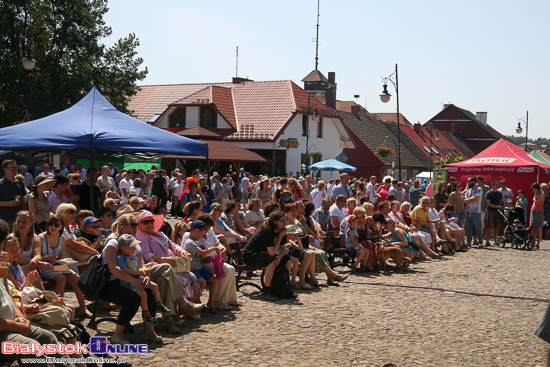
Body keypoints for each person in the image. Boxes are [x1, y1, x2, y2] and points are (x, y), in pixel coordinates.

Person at [37, 216, 92, 317]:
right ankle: (59, 309)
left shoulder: (61, 238)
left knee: (76, 278)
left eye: (56, 225)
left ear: (61, 227)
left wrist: (65, 262)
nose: (53, 227)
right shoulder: (40, 238)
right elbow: (36, 259)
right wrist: (48, 257)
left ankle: (83, 308)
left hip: (57, 266)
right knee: (61, 278)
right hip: (44, 267)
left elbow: (60, 257)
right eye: (51, 224)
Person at [117, 234, 172, 325]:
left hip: (138, 279)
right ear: (123, 248)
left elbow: (136, 268)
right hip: (128, 281)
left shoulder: (133, 257)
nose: (135, 249)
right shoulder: (121, 258)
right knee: (143, 293)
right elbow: (126, 270)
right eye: (132, 247)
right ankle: (146, 313)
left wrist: (144, 270)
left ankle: (159, 304)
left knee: (154, 286)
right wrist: (140, 273)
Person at [242, 211, 293, 301]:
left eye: (285, 220)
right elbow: (272, 253)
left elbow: (283, 249)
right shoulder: (267, 231)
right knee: (272, 260)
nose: (285, 222)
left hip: (263, 254)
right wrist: (280, 237)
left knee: (287, 259)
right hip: (250, 256)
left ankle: (285, 285)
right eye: (282, 221)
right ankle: (267, 290)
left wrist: (280, 258)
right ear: (275, 222)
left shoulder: (281, 230)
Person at [181, 220, 220, 313]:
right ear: (196, 231)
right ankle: (195, 304)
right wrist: (213, 249)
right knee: (202, 282)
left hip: (198, 267)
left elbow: (200, 255)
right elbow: (202, 252)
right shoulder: (190, 242)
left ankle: (211, 302)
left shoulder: (196, 241)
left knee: (215, 279)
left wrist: (206, 258)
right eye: (202, 234)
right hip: (192, 269)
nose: (202, 236)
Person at [464, 176, 483, 247]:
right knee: (468, 226)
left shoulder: (479, 189)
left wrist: (469, 199)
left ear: (474, 182)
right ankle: (469, 241)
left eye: (469, 181)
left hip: (476, 211)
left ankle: (480, 242)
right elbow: (465, 200)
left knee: (478, 226)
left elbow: (476, 199)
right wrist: (471, 198)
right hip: (468, 210)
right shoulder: (468, 191)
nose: (468, 183)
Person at [485, 180, 504, 247]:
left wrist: (502, 205)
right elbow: (488, 204)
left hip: (497, 211)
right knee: (488, 226)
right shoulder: (489, 193)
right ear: (492, 185)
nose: (497, 186)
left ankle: (495, 241)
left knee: (496, 226)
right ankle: (487, 241)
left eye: (497, 185)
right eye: (496, 185)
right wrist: (497, 206)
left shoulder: (499, 193)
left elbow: (501, 201)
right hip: (490, 211)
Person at [531, 183, 544, 250]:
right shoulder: (536, 194)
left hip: (539, 211)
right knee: (533, 227)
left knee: (539, 228)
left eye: (533, 189)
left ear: (535, 188)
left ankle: (538, 244)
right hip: (533, 211)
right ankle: (533, 243)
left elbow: (536, 202)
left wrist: (535, 194)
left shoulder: (542, 194)